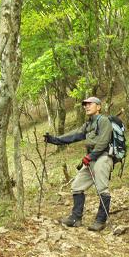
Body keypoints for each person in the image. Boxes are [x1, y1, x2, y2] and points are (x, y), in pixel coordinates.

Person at [44, 96, 113, 231]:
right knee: (77, 186)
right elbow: (74, 135)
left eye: (89, 104)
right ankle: (76, 218)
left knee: (102, 189)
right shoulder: (88, 124)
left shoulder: (103, 121)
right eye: (85, 105)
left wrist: (91, 156)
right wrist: (54, 140)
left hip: (103, 157)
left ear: (98, 107)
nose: (86, 106)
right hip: (91, 159)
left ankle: (100, 220)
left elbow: (104, 142)